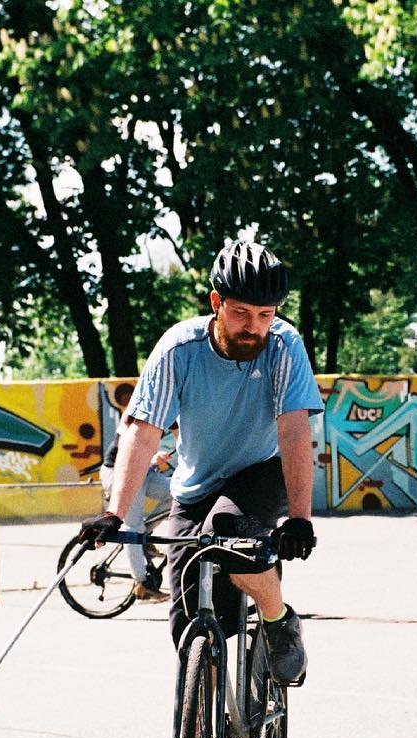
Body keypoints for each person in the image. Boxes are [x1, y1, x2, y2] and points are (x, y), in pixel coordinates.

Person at [80, 239, 322, 684]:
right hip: (195, 486)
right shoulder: (180, 349)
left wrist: (300, 519)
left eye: (265, 315)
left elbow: (293, 429)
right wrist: (114, 513)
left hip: (262, 469)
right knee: (187, 620)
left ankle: (278, 619)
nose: (254, 327)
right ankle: (200, 730)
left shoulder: (284, 346)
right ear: (216, 302)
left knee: (229, 531)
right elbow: (143, 429)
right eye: (241, 313)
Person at [98, 426, 174, 602]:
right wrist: (152, 459)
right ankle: (143, 584)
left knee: (177, 494)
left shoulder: (166, 416)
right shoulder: (137, 415)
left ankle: (144, 536)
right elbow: (128, 451)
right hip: (121, 472)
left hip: (144, 471)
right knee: (133, 526)